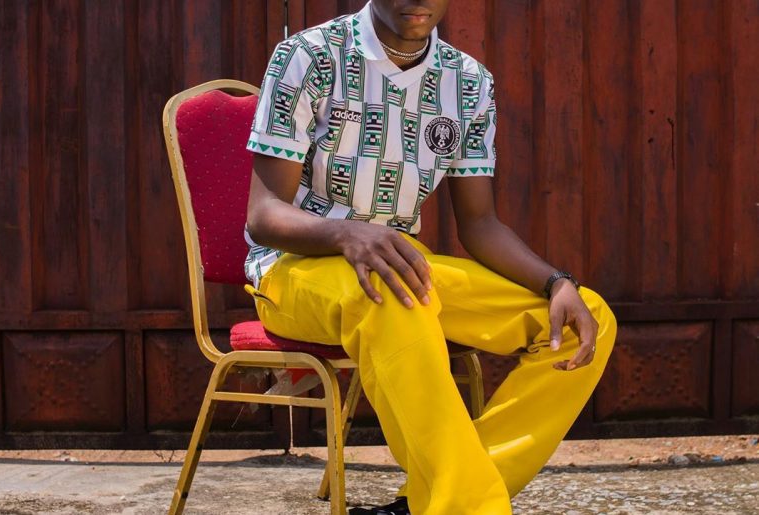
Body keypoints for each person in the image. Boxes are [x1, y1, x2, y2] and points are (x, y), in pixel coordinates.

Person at [244, 1, 617, 513]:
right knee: (394, 294)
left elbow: (480, 224)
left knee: (586, 317)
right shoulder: (310, 55)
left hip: (401, 263)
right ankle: (467, 505)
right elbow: (264, 215)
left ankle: (434, 499)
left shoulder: (468, 80)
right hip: (294, 267)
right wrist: (347, 234)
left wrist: (557, 282)